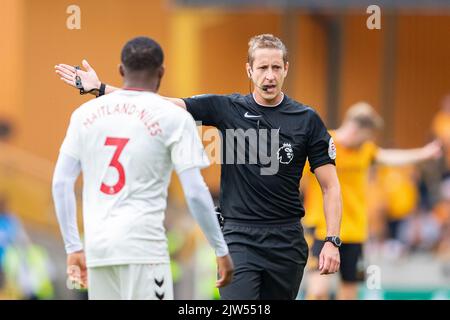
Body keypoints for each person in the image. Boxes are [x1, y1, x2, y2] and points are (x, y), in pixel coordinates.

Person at [55, 34, 342, 300]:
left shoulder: (307, 119)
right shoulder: (227, 108)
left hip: (287, 240)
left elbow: (330, 186)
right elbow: (161, 104)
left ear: (286, 69)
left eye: (276, 67)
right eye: (263, 67)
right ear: (249, 70)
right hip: (239, 237)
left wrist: (331, 239)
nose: (270, 75)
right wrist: (101, 89)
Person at [52, 36, 234, 300]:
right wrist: (220, 249)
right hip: (145, 251)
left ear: (121, 70)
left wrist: (73, 247)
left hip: (99, 251)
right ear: (161, 72)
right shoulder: (175, 118)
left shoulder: (83, 115)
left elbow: (61, 183)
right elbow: (195, 192)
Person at [302, 102, 442, 300]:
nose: (368, 141)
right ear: (354, 127)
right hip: (321, 229)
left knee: (349, 292)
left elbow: (389, 157)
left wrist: (423, 154)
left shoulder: (365, 150)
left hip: (355, 232)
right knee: (317, 291)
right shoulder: (323, 142)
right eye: (367, 136)